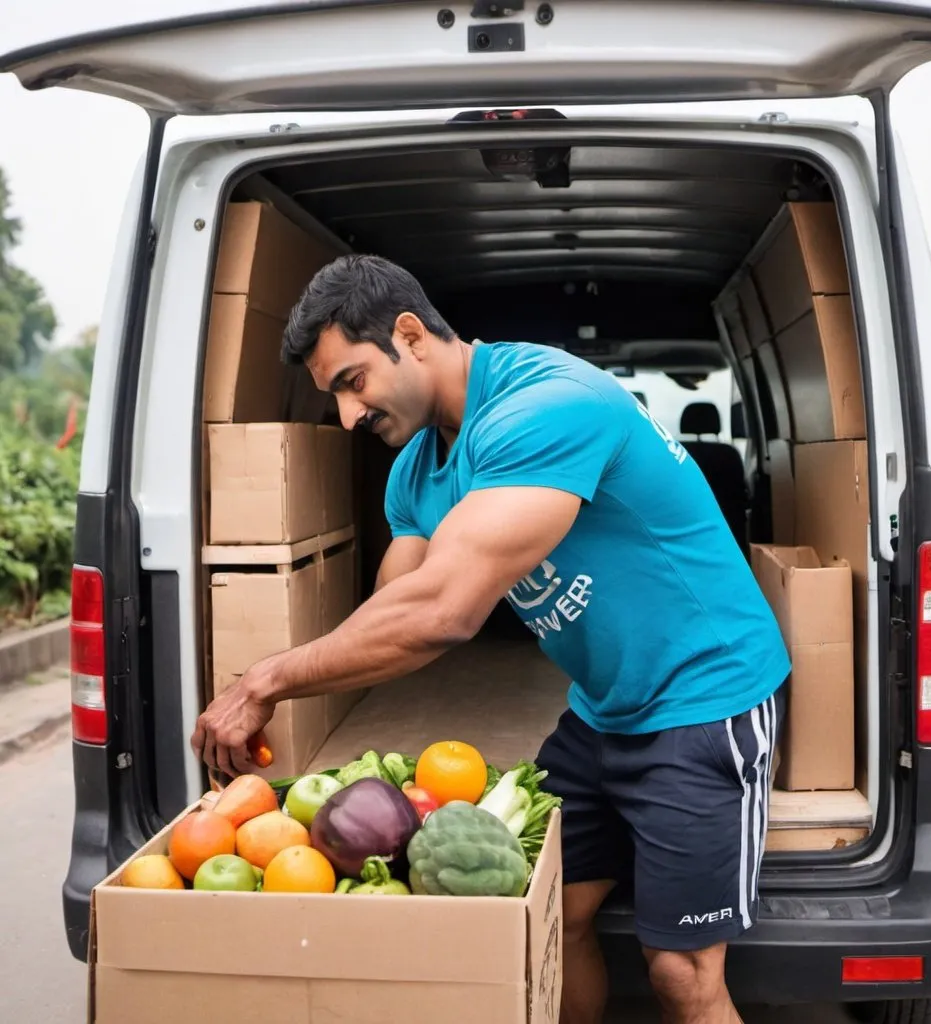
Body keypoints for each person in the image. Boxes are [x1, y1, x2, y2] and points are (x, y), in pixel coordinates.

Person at [191, 254, 790, 1024]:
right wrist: (287, 686)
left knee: (680, 973)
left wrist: (263, 681)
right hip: (603, 710)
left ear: (409, 335)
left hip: (706, 700)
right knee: (544, 914)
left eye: (352, 382)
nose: (347, 417)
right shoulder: (415, 468)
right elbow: (391, 613)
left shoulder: (549, 404)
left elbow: (442, 614)